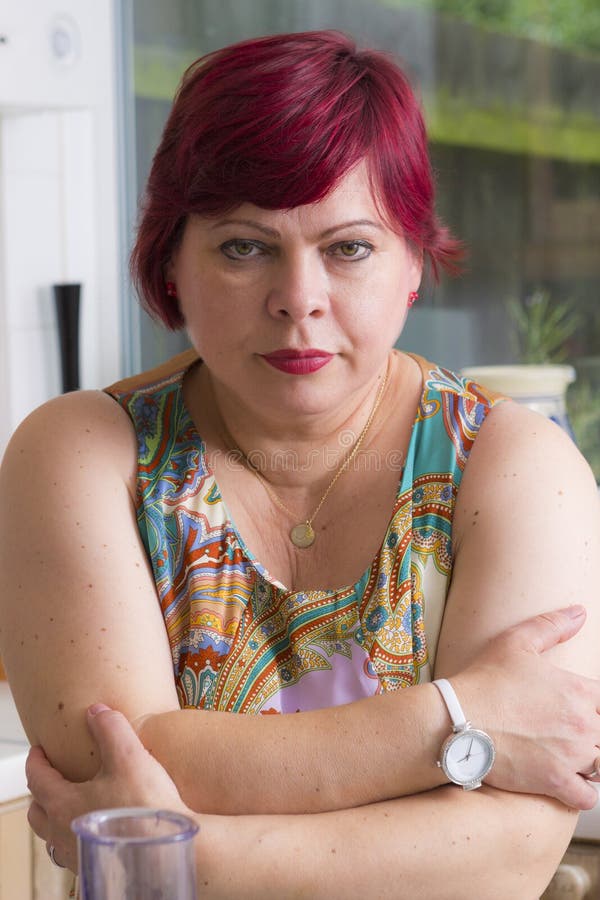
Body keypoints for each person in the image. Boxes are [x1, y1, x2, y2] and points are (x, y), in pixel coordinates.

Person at [1, 29, 599, 899]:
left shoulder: (515, 467)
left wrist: (189, 854)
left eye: (349, 247)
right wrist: (462, 722)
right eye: (244, 246)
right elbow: (118, 754)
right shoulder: (84, 455)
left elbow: (505, 857)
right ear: (171, 260)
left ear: (414, 263)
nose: (299, 299)